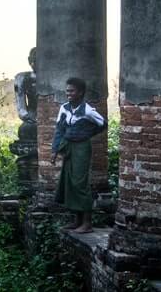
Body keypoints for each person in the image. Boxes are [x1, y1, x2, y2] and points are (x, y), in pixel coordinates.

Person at [50, 77, 106, 234]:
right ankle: (77, 221)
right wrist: (54, 151)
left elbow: (102, 124)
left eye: (72, 91)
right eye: (67, 90)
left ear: (80, 92)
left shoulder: (87, 110)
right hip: (68, 148)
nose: (68, 93)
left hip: (82, 148)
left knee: (80, 183)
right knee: (69, 182)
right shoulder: (64, 108)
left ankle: (87, 223)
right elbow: (59, 130)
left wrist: (85, 133)